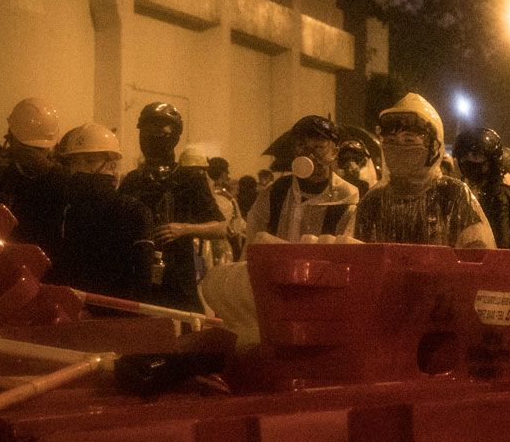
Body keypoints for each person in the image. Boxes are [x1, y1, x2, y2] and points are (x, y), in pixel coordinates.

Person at [117, 103, 229, 311]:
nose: (151, 138)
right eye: (146, 131)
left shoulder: (189, 178)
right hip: (138, 274)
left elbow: (221, 228)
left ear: (174, 137)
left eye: (159, 132)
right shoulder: (133, 180)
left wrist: (184, 229)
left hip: (177, 275)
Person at [358, 93, 494, 248]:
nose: (398, 148)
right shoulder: (372, 202)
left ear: (434, 147)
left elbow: (478, 259)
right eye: (390, 141)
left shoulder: (453, 196)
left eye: (409, 140)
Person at [49, 123, 156, 298]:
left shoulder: (134, 212)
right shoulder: (66, 210)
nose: (78, 169)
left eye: (90, 161)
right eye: (75, 161)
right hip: (75, 313)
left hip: (117, 317)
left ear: (111, 165)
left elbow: (142, 285)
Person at [0, 98, 76, 257]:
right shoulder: (0, 172)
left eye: (37, 150)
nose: (31, 156)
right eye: (29, 149)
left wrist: (51, 172)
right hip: (4, 258)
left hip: (45, 260)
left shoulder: (61, 178)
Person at [247, 115, 360, 241]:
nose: (309, 154)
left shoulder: (345, 197)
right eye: (302, 146)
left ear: (334, 152)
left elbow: (345, 248)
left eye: (318, 147)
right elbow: (253, 240)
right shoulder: (276, 192)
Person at [454, 128, 510, 250]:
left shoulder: (501, 198)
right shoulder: (460, 195)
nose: (468, 161)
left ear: (491, 161)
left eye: (475, 155)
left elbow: (501, 247)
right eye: (464, 156)